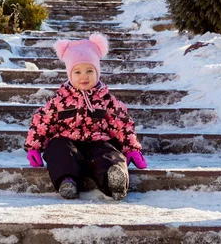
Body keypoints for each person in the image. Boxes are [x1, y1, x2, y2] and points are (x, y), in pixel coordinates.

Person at [24, 33, 147, 200]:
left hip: (98, 142)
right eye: (78, 72)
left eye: (90, 70)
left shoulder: (106, 100)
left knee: (110, 154)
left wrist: (131, 148)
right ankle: (67, 181)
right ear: (69, 74)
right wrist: (34, 147)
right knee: (58, 149)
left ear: (97, 72)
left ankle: (115, 181)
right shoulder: (59, 100)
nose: (84, 76)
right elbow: (43, 122)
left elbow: (122, 124)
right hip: (68, 142)